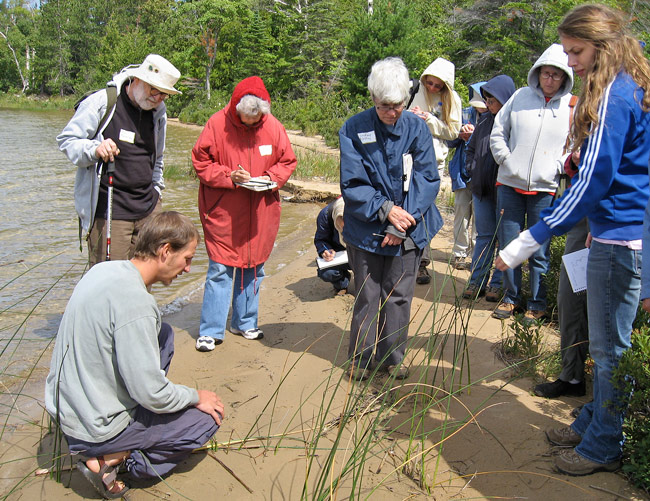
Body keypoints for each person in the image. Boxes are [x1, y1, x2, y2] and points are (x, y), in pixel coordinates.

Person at [496, 3, 650, 476]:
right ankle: (595, 419)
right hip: (614, 233)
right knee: (606, 345)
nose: (569, 62)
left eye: (576, 51)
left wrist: (532, 237)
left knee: (609, 350)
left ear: (603, 46)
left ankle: (604, 444)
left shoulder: (615, 97)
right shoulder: (627, 86)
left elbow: (592, 183)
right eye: (566, 52)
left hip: (619, 241)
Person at [44, 211, 225, 498]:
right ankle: (116, 459)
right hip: (95, 427)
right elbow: (152, 393)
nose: (188, 269)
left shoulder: (103, 270)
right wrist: (195, 396)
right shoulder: (137, 304)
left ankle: (112, 440)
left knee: (163, 334)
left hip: (65, 410)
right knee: (206, 420)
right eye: (187, 259)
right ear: (165, 251)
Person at [340, 57, 442, 381]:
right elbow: (352, 183)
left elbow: (428, 178)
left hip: (410, 227)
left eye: (398, 105)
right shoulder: (353, 128)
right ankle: (360, 358)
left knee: (398, 296)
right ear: (372, 97)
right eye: (384, 105)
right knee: (367, 294)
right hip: (365, 229)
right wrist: (386, 210)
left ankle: (393, 357)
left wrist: (403, 222)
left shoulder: (417, 128)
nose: (392, 112)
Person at [192, 76, 297, 352]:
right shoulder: (217, 124)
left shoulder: (273, 126)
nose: (251, 123)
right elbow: (200, 161)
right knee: (220, 268)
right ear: (236, 109)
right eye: (246, 118)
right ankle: (211, 330)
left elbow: (287, 161)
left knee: (253, 265)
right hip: (223, 211)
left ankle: (245, 322)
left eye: (256, 119)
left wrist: (271, 178)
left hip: (261, 211)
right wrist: (229, 176)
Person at [57, 54, 181, 267]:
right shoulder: (103, 102)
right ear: (137, 80)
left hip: (148, 209)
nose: (158, 98)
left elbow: (157, 158)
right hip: (110, 212)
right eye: (154, 90)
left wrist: (157, 192)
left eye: (164, 94)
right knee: (108, 278)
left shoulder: (158, 111)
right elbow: (67, 140)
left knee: (144, 277)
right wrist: (95, 149)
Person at [490, 43, 575, 320]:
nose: (550, 79)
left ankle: (537, 304)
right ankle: (511, 298)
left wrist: (556, 172)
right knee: (509, 244)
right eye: (546, 73)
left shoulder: (571, 106)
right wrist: (506, 159)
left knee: (539, 250)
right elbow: (498, 131)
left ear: (564, 77)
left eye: (556, 75)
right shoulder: (519, 97)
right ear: (537, 73)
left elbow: (574, 149)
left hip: (545, 188)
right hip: (509, 184)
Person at [534, 150, 589, 398]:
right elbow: (572, 163)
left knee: (608, 317)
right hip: (583, 216)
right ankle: (572, 377)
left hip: (618, 226)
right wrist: (574, 161)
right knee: (571, 299)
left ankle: (609, 405)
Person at [408, 57, 462, 281]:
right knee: (404, 207)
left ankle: (421, 262)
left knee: (424, 210)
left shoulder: (452, 99)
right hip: (408, 158)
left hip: (434, 162)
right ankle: (403, 260)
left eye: (437, 86)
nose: (432, 88)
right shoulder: (413, 89)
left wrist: (429, 119)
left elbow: (453, 132)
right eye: (429, 83)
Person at [462, 75, 516, 301]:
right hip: (482, 190)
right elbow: (471, 149)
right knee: (484, 236)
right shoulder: (484, 121)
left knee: (505, 239)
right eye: (486, 99)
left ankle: (497, 284)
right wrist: (472, 169)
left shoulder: (515, 122)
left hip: (506, 190)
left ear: (504, 98)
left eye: (491, 100)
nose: (487, 104)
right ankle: (477, 282)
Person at [446, 82, 486, 274]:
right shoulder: (464, 114)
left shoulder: (495, 117)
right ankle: (459, 254)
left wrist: (473, 137)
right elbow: (449, 141)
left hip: (482, 176)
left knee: (480, 218)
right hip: (462, 173)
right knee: (461, 215)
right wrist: (460, 134)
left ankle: (477, 256)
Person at [314, 197, 351, 295]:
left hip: (361, 252)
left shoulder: (365, 211)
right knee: (327, 272)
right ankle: (342, 284)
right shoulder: (325, 215)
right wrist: (325, 250)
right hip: (339, 254)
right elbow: (321, 239)